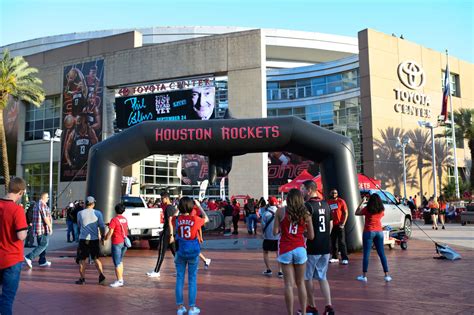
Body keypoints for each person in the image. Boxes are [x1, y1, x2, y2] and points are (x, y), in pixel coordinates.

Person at [273, 189, 314, 315]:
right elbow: (311, 236)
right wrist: (302, 232)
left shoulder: (280, 211)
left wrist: (283, 228)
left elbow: (275, 232)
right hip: (300, 248)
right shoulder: (306, 213)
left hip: (285, 249)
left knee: (288, 284)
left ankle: (290, 313)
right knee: (300, 283)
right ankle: (303, 311)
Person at [300, 180, 334, 315]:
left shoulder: (307, 206)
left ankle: (312, 306)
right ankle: (329, 306)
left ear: (309, 190)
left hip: (312, 246)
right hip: (325, 246)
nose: (302, 191)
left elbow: (304, 227)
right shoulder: (326, 204)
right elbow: (330, 226)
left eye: (303, 189)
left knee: (307, 277)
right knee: (322, 277)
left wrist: (305, 235)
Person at [172, 197, 209, 315]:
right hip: (193, 252)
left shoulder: (177, 219)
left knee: (180, 279)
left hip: (181, 251)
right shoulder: (195, 219)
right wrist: (198, 206)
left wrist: (178, 208)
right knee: (192, 279)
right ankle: (192, 308)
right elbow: (206, 218)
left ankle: (180, 307)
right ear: (191, 207)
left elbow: (171, 218)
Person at [0, 177, 28, 315]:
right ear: (21, 192)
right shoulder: (17, 210)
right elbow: (21, 236)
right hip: (11, 259)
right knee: (7, 299)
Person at [355, 194, 392, 283]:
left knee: (366, 254)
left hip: (368, 232)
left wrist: (362, 202)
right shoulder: (381, 209)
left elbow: (356, 212)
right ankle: (386, 275)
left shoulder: (367, 209)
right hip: (379, 232)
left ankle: (364, 276)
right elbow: (382, 215)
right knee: (382, 254)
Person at [75, 196, 106, 285]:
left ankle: (82, 279)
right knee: (96, 258)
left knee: (82, 260)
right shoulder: (98, 213)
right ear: (93, 204)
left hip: (83, 239)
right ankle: (101, 275)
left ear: (85, 203)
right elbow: (102, 226)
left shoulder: (80, 213)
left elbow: (79, 225)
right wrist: (103, 236)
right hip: (94, 239)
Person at [147, 192, 178, 278]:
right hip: (171, 232)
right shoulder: (173, 208)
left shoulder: (168, 208)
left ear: (167, 198)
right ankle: (180, 271)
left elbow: (170, 222)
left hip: (168, 233)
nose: (161, 200)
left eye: (162, 198)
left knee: (161, 252)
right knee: (175, 253)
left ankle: (156, 271)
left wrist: (170, 234)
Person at [24, 192, 53, 268]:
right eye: (47, 197)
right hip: (42, 229)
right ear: (43, 197)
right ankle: (29, 257)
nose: (48, 198)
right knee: (44, 244)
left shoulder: (38, 204)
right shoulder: (42, 205)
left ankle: (42, 261)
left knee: (42, 245)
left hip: (40, 228)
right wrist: (50, 227)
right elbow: (45, 217)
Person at [104, 203, 129, 288]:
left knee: (116, 263)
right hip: (124, 242)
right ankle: (121, 278)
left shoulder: (114, 220)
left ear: (115, 210)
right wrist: (110, 224)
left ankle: (119, 280)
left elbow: (110, 232)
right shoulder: (125, 219)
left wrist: (105, 238)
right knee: (120, 261)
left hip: (117, 242)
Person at [261, 196, 282, 278]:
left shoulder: (265, 213)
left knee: (265, 252)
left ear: (269, 203)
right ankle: (280, 271)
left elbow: (262, 226)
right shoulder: (280, 212)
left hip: (267, 237)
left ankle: (268, 269)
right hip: (278, 237)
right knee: (278, 253)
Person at [327, 188, 349, 265]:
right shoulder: (328, 202)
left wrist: (343, 223)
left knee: (342, 242)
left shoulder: (341, 201)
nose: (334, 194)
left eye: (335, 193)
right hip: (332, 225)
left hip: (340, 225)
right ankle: (335, 257)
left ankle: (345, 258)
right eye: (332, 193)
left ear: (337, 194)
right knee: (333, 242)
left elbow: (346, 213)